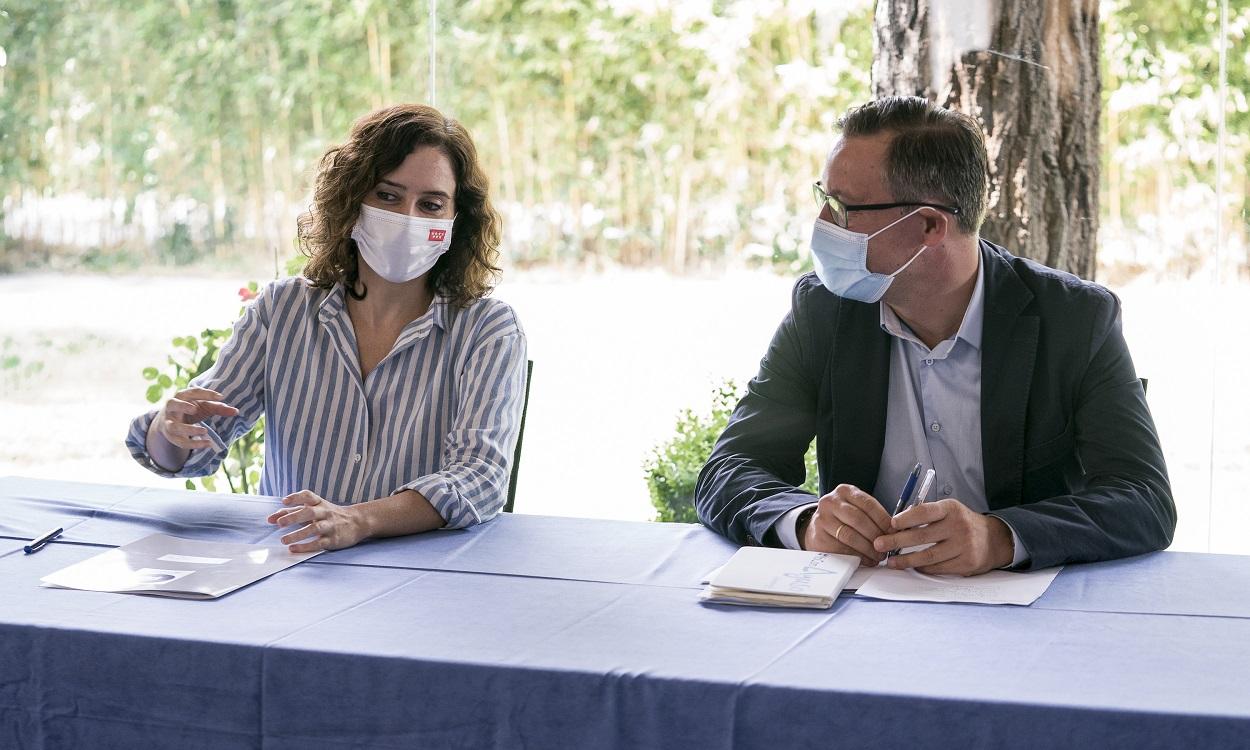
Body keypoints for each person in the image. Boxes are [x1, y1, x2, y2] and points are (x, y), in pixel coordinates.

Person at [695, 96, 1175, 574]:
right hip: (866, 614)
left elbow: (1143, 498)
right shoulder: (823, 311)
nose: (823, 224)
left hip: (1029, 620)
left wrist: (1000, 538)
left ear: (929, 225)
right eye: (824, 198)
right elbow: (729, 468)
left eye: (844, 208)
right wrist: (804, 524)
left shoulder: (1076, 319)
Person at [126, 104, 527, 553]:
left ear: (457, 222)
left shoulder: (488, 330)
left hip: (421, 579)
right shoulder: (282, 310)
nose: (409, 218)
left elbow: (480, 478)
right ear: (352, 200)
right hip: (293, 564)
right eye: (388, 196)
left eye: (430, 205)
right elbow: (191, 449)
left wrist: (358, 520)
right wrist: (168, 429)